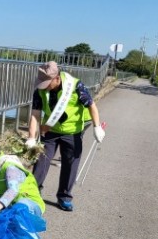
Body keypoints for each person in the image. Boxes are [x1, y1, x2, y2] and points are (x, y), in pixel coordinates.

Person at [25, 61, 105, 212]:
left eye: (47, 83)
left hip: (72, 131)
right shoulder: (40, 90)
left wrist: (97, 127)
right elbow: (35, 114)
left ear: (56, 78)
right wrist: (31, 137)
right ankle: (33, 192)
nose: (45, 86)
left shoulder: (75, 86)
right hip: (50, 130)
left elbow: (91, 105)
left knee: (70, 163)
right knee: (41, 160)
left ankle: (64, 197)